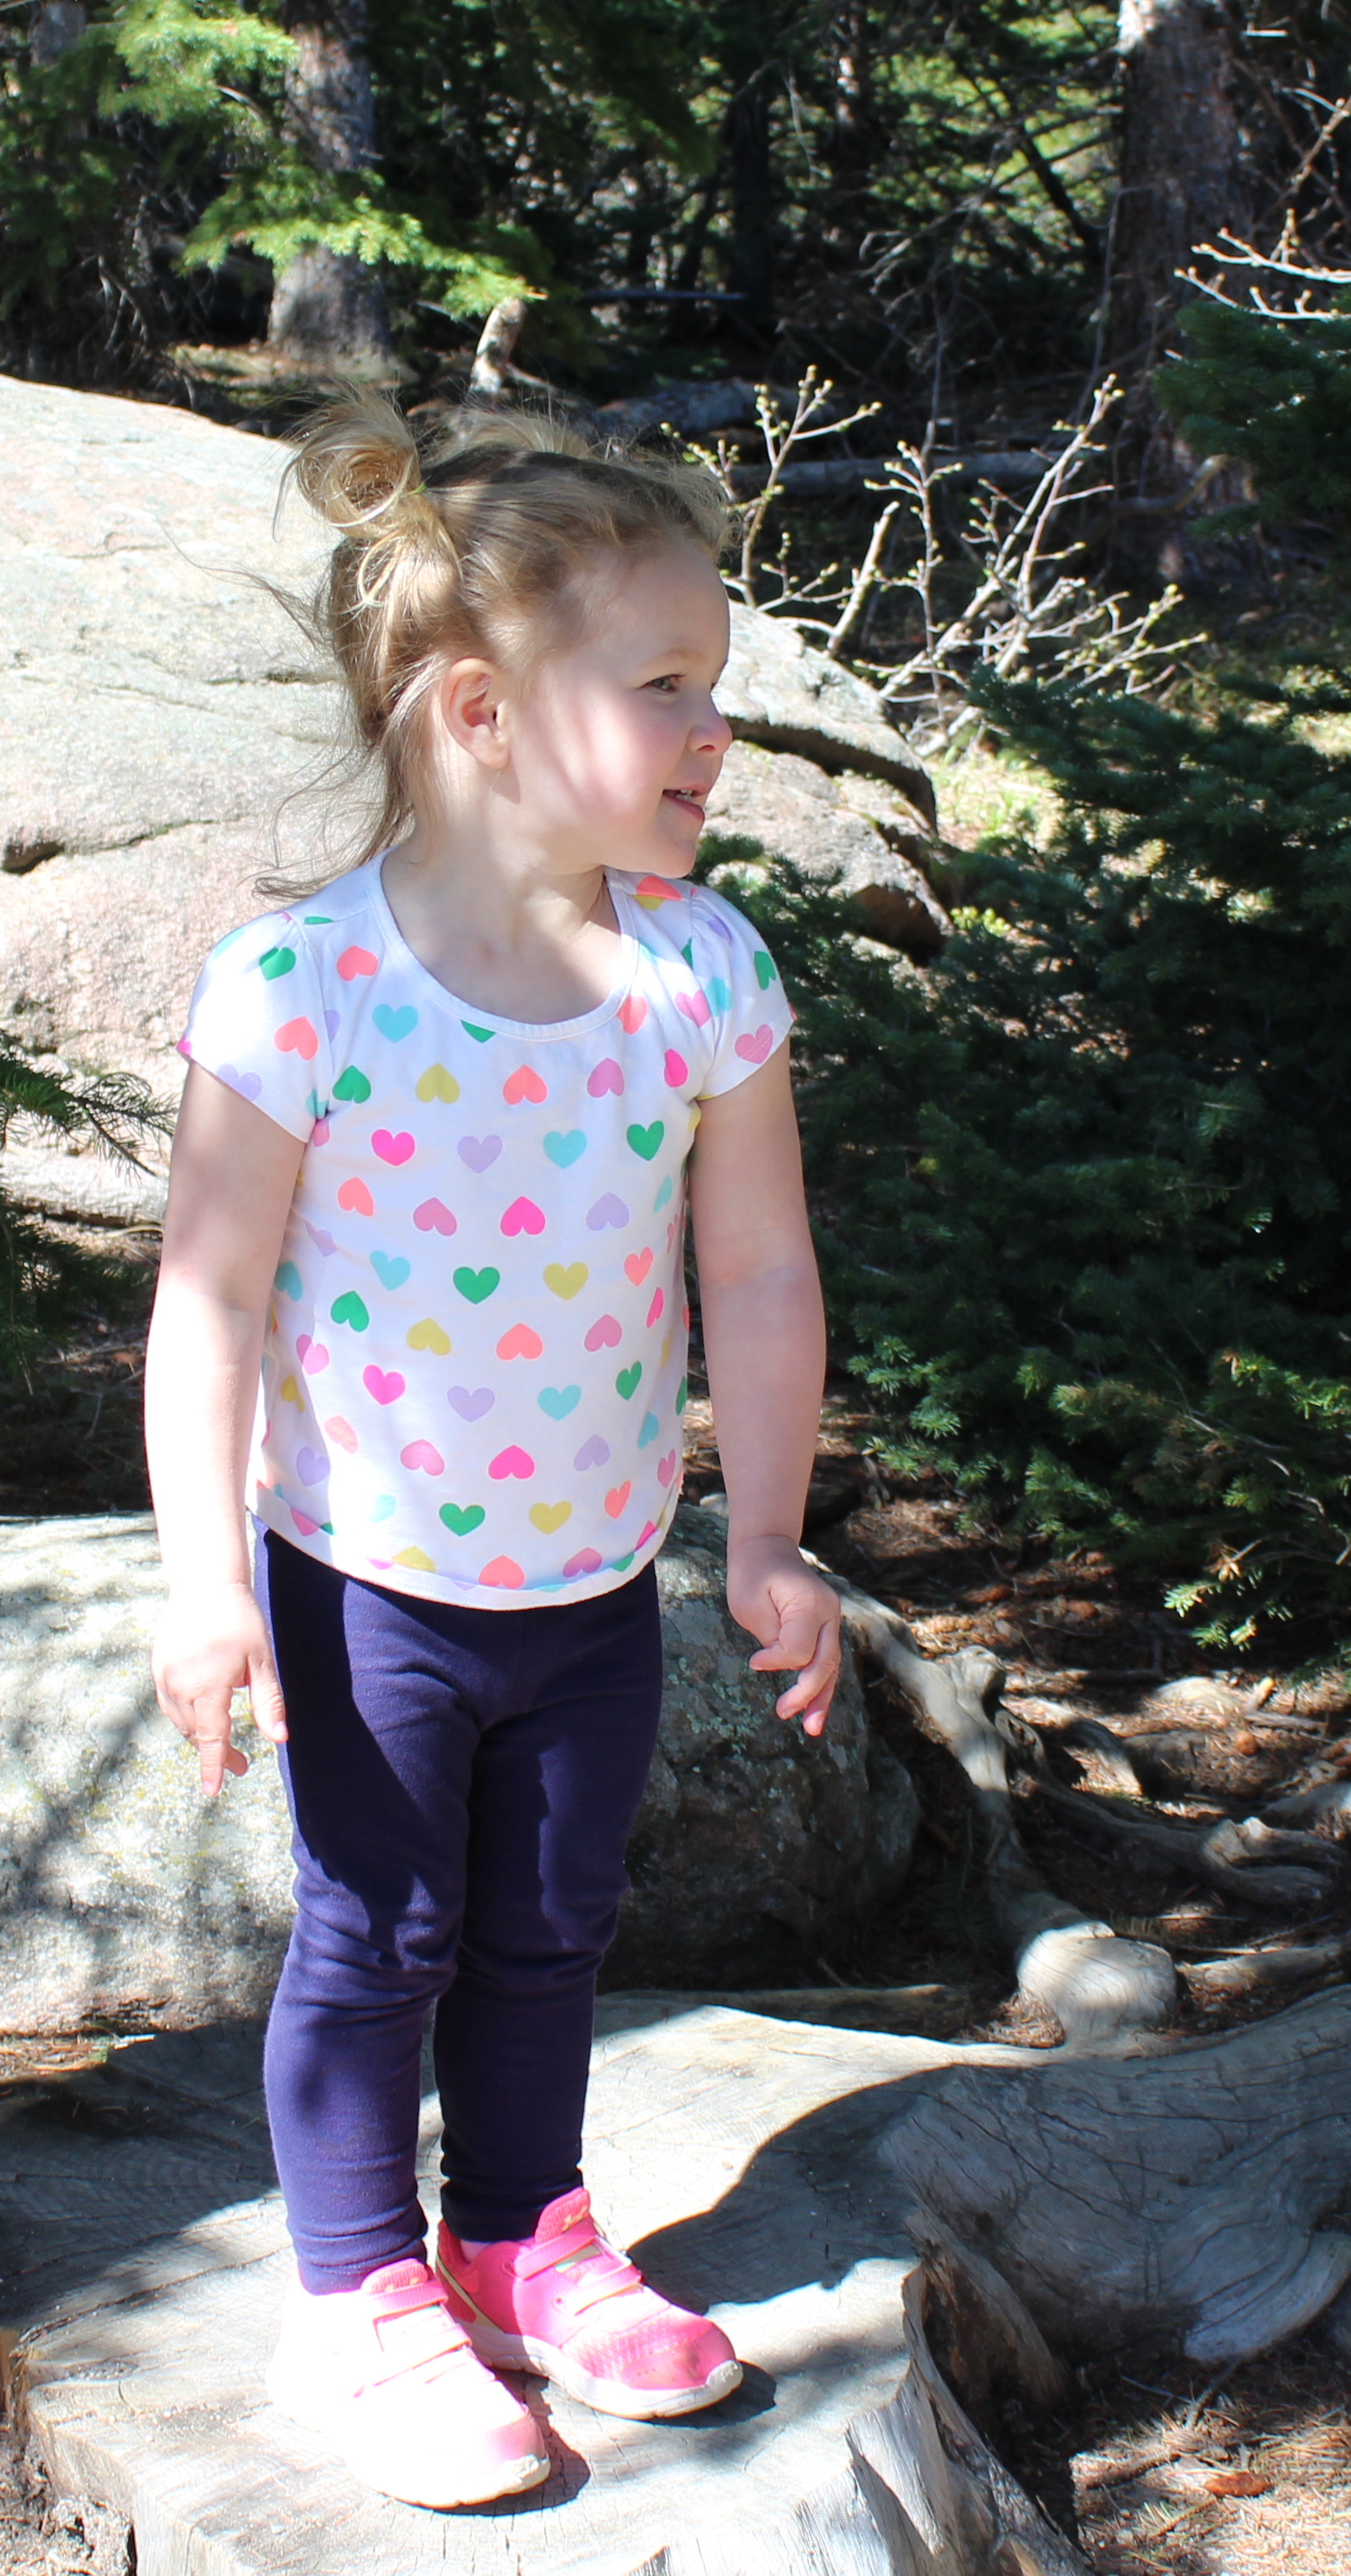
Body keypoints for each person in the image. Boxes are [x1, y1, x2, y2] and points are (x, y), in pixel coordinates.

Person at [141, 392, 845, 2511]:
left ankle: (518, 2239)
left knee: (549, 1933)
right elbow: (206, 1303)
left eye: (716, 686)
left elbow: (765, 1268)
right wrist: (202, 1583)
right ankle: (352, 2297)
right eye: (666, 687)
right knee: (379, 1937)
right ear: (477, 709)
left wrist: (776, 1534)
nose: (716, 730)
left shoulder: (700, 975)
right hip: (367, 1584)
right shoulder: (304, 985)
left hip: (594, 1585)